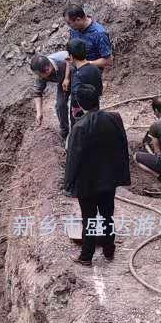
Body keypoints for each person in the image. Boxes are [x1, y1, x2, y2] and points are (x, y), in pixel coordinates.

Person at [64, 84, 130, 265]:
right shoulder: (115, 118)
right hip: (108, 179)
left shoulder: (80, 127)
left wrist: (68, 184)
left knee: (89, 219)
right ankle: (109, 250)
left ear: (79, 103)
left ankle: (86, 256)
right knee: (107, 215)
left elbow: (73, 159)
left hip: (88, 182)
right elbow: (122, 145)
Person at [29, 51, 71, 139]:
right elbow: (37, 91)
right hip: (62, 82)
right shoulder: (41, 72)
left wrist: (67, 78)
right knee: (60, 105)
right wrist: (39, 112)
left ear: (47, 69)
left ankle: (77, 129)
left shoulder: (62, 60)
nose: (39, 77)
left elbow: (73, 62)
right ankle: (65, 131)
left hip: (78, 76)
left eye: (40, 75)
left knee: (76, 105)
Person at [65, 5, 114, 72]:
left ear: (78, 20)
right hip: (76, 71)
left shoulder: (99, 34)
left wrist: (86, 64)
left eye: (69, 23)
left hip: (92, 73)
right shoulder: (74, 29)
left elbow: (108, 61)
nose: (69, 26)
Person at [64, 39, 104, 109]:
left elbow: (75, 101)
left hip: (81, 116)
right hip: (95, 110)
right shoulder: (95, 68)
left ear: (71, 56)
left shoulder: (78, 76)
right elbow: (100, 91)